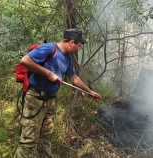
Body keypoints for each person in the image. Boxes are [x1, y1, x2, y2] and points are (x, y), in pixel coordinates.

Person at [14, 28, 101, 158]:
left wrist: (90, 91)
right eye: (78, 45)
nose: (78, 48)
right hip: (35, 98)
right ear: (72, 42)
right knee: (28, 140)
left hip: (50, 101)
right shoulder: (49, 48)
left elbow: (74, 79)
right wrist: (48, 73)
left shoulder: (68, 59)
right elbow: (25, 61)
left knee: (46, 138)